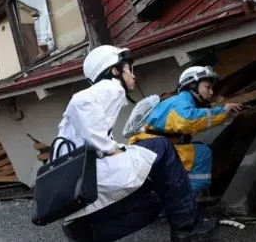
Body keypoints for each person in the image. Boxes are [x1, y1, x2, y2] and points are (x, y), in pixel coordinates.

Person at [57, 45, 216, 242]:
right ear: (114, 70)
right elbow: (80, 102)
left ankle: (86, 232)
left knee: (152, 203)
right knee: (162, 147)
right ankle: (186, 229)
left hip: (83, 178)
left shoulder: (108, 93)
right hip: (91, 174)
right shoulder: (110, 87)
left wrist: (111, 148)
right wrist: (109, 148)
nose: (133, 75)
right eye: (129, 69)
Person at [128, 67, 242, 195]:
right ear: (193, 85)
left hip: (150, 147)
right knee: (201, 154)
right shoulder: (180, 101)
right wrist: (222, 112)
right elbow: (188, 120)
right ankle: (180, 200)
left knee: (196, 150)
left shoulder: (181, 102)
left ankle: (175, 198)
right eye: (207, 87)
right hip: (152, 148)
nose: (211, 92)